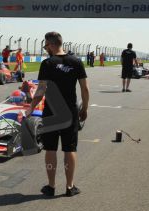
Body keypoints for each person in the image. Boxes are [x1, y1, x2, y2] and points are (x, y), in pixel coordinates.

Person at [25, 32, 89, 197]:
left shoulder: (47, 63)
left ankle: (51, 186)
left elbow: (40, 90)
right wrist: (85, 109)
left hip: (52, 112)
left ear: (51, 44)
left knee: (51, 149)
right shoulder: (76, 61)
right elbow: (85, 89)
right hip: (69, 111)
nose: (46, 48)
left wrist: (31, 107)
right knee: (70, 149)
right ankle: (70, 187)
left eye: (46, 45)